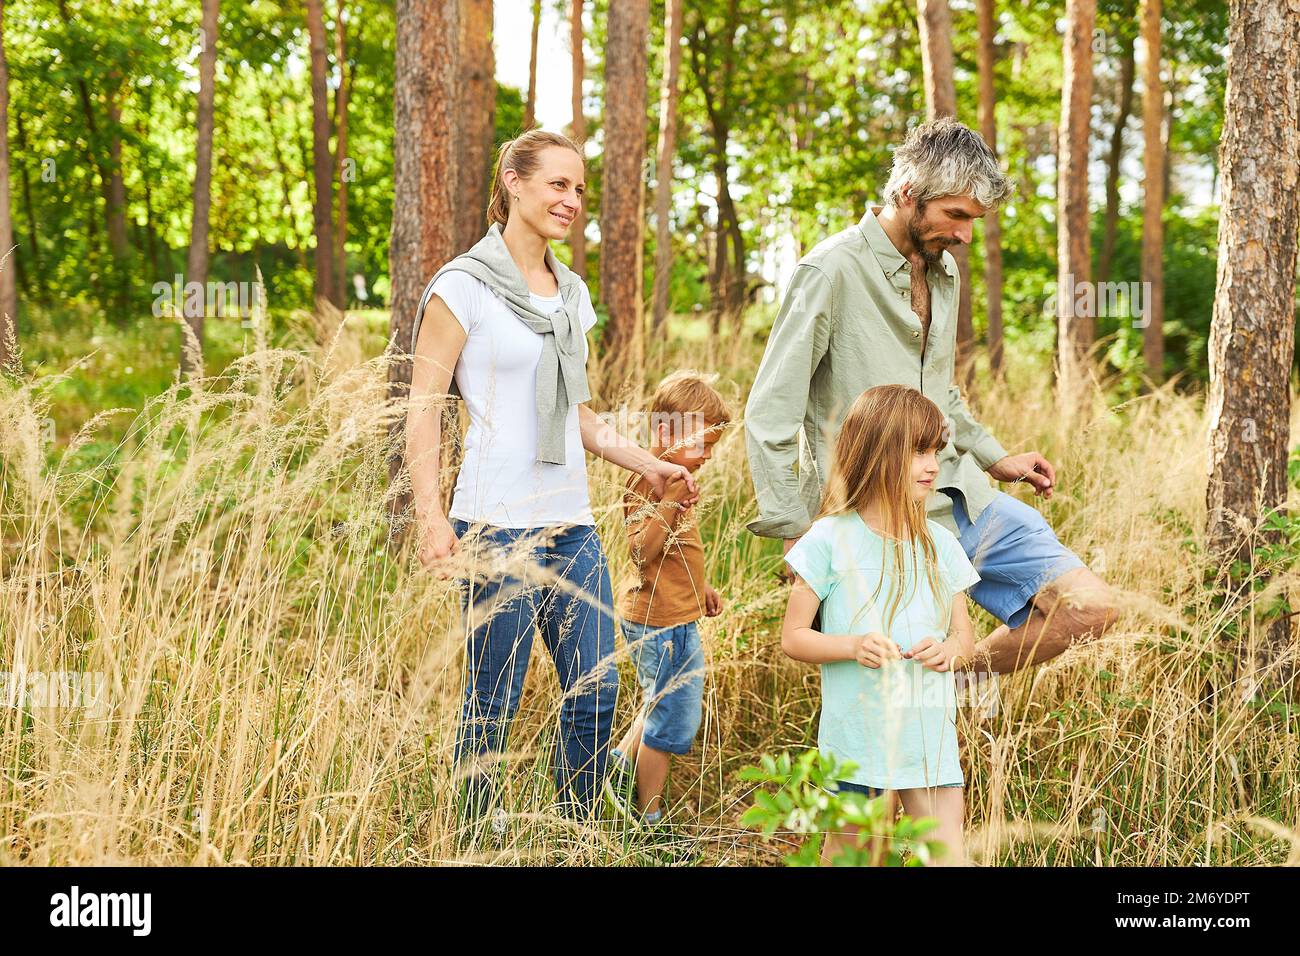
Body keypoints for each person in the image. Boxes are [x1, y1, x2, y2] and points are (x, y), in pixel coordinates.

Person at [747, 117, 1119, 675]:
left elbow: (938, 386)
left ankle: (963, 685)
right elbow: (771, 408)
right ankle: (940, 711)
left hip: (962, 493)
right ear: (907, 195)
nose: (967, 234)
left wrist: (995, 457)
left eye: (975, 220)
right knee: (896, 685)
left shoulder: (943, 273)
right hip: (875, 516)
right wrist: (794, 528)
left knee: (1094, 608)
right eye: (957, 215)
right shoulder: (829, 270)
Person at [406, 129, 697, 820]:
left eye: (579, 189)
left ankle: (578, 831)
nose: (572, 200)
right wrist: (431, 515)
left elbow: (584, 420)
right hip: (494, 524)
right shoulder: (463, 286)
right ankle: (478, 832)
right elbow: (421, 410)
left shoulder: (571, 294)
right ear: (513, 181)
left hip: (570, 523)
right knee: (494, 698)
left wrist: (651, 463)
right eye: (558, 184)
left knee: (596, 690)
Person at [782, 385, 980, 866]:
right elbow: (794, 638)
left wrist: (948, 652)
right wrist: (852, 645)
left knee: (949, 859)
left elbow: (965, 640)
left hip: (929, 739)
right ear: (875, 452)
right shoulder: (829, 538)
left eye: (935, 451)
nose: (932, 465)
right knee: (850, 857)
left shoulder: (942, 544)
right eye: (917, 451)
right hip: (857, 741)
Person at [604, 372, 732, 828]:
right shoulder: (648, 483)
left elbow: (678, 553)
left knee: (659, 704)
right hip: (656, 622)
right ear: (665, 434)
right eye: (702, 444)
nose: (708, 456)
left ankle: (619, 766)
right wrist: (672, 500)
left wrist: (702, 591)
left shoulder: (675, 482)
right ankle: (650, 819)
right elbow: (641, 551)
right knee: (672, 719)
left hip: (677, 616)